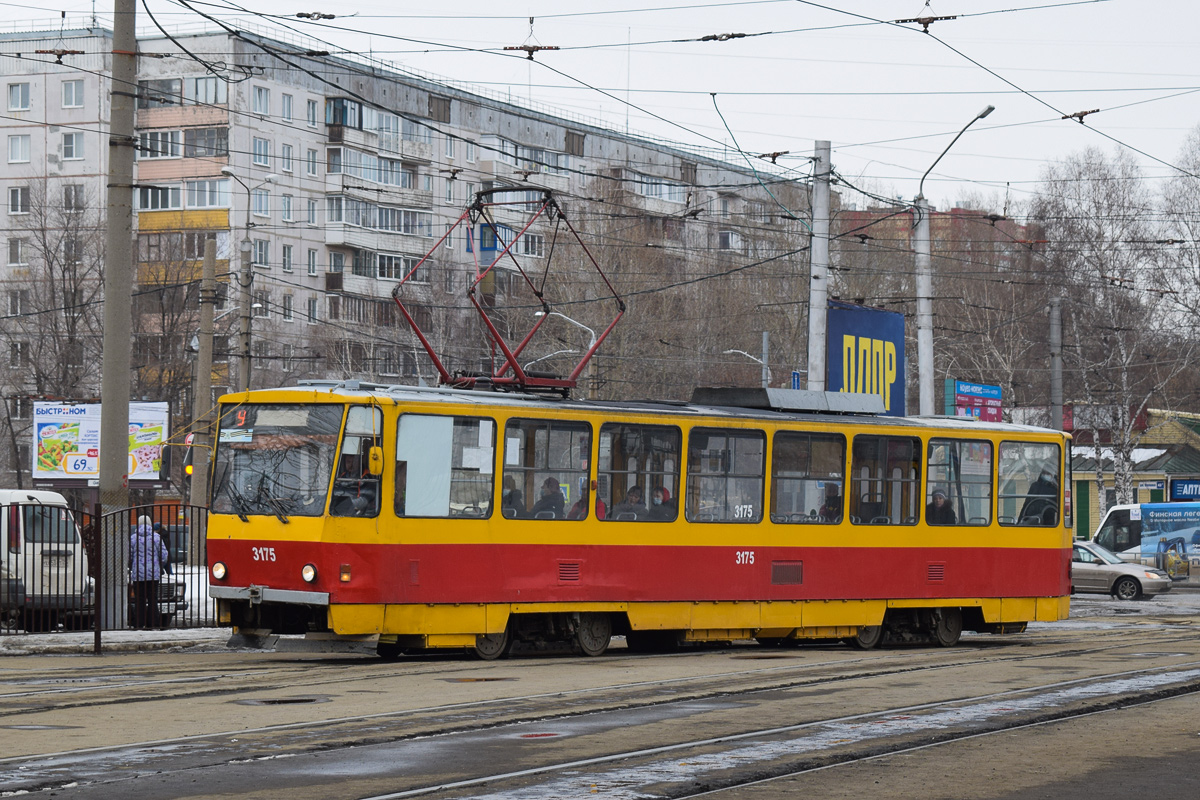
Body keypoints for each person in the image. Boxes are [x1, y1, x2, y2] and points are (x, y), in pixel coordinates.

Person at [129, 515, 168, 629]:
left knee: (139, 600)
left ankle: (139, 624)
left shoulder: (133, 538)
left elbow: (128, 556)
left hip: (138, 574)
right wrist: (159, 565)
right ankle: (153, 624)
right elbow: (164, 555)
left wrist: (133, 565)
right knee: (152, 599)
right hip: (153, 574)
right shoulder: (156, 538)